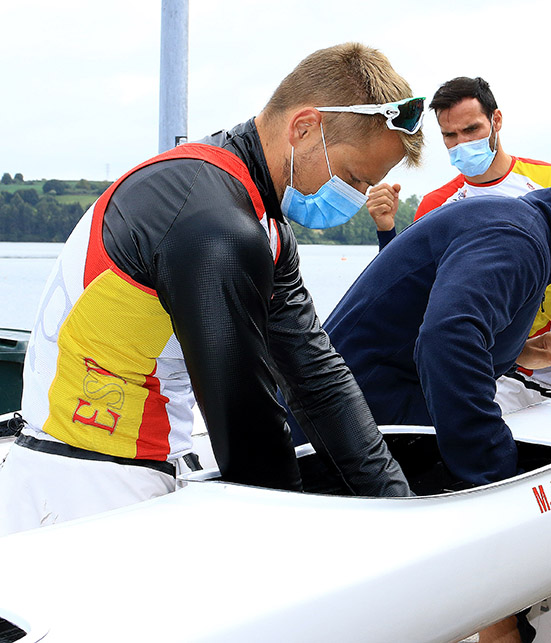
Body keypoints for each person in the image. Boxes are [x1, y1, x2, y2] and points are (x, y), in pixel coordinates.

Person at [0, 43, 424, 536]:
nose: (354, 198)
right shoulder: (216, 225)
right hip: (87, 486)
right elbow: (247, 425)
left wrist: (400, 505)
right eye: (354, 178)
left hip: (136, 467)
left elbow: (316, 375)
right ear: (304, 127)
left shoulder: (255, 215)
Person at [325, 143, 551, 643]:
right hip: (359, 432)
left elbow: (439, 317)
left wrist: (514, 348)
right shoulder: (517, 238)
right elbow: (447, 339)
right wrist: (497, 478)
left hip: (376, 412)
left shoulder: (522, 226)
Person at [366, 77, 551, 391]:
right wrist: (387, 230)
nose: (461, 143)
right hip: (489, 361)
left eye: (471, 130)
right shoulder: (436, 205)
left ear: (497, 120)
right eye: (449, 135)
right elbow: (411, 294)